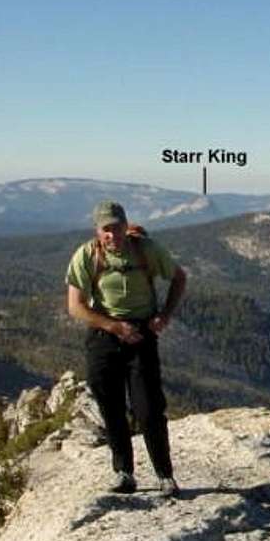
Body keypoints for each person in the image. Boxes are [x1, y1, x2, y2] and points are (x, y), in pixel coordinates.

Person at [65, 200, 187, 497]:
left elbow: (179, 277)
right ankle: (124, 473)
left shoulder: (146, 250)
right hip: (104, 335)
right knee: (111, 406)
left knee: (148, 409)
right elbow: (75, 306)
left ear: (125, 225)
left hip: (141, 334)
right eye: (106, 230)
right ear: (97, 230)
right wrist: (114, 327)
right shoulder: (86, 256)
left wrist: (165, 315)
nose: (112, 235)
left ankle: (164, 475)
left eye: (117, 228)